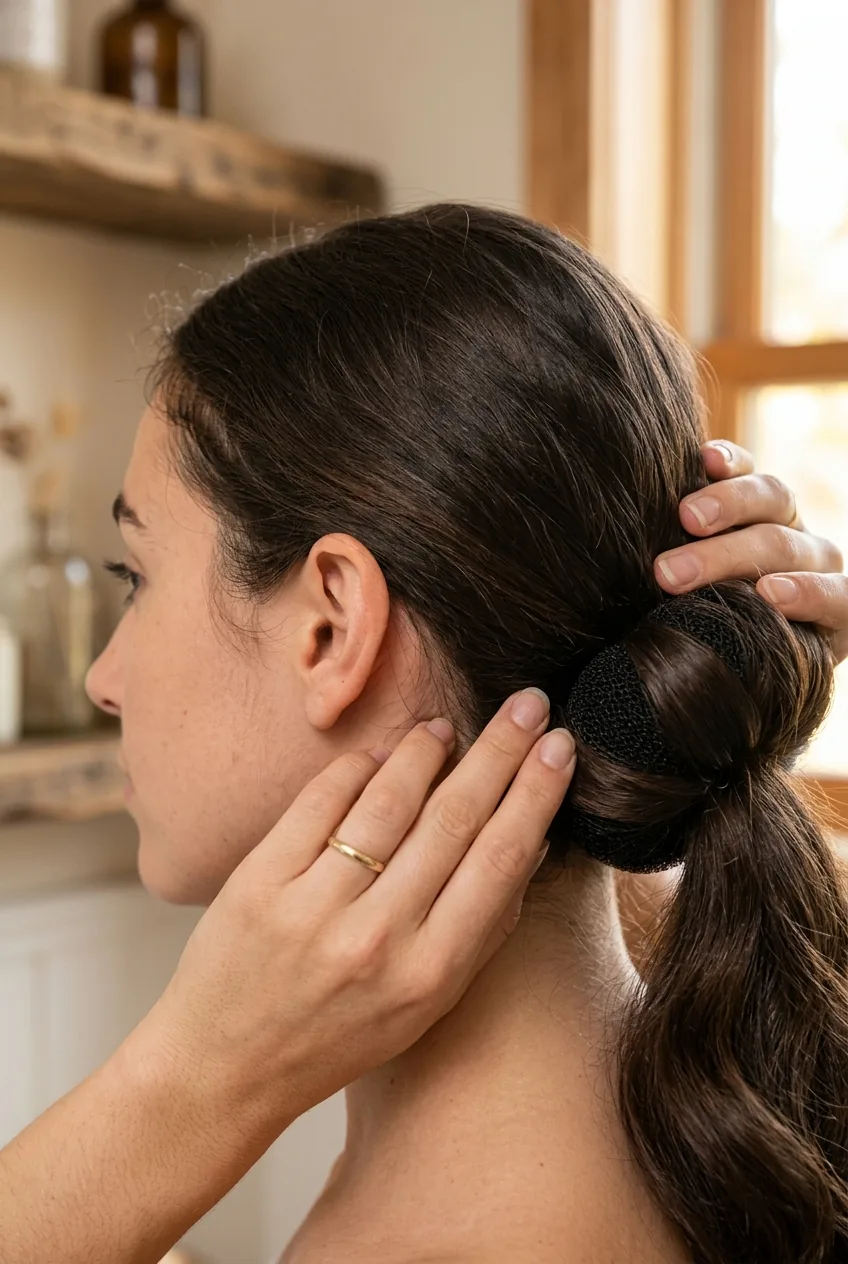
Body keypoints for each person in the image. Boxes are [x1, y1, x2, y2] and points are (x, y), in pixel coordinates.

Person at [0, 204, 845, 1264]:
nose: (101, 678)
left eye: (139, 575)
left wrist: (186, 1079)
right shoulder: (710, 1103)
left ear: (331, 623)